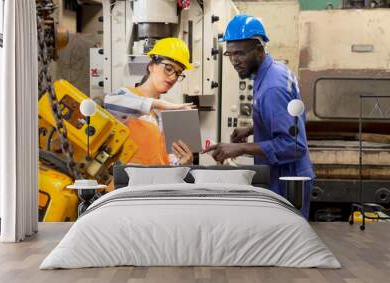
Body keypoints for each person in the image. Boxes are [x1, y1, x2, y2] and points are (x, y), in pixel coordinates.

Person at [203, 15, 315, 218]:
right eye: (230, 54)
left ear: (259, 50)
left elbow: (294, 145)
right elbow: (287, 120)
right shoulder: (274, 71)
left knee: (284, 245)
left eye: (240, 54)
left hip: (287, 180)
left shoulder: (272, 87)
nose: (234, 61)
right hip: (283, 176)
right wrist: (254, 127)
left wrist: (240, 147)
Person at [104, 37, 195, 166]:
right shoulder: (127, 95)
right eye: (169, 68)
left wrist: (183, 162)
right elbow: (109, 102)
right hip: (128, 183)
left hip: (157, 184)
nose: (173, 77)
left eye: (178, 73)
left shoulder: (165, 114)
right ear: (151, 66)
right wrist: (159, 104)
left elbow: (165, 158)